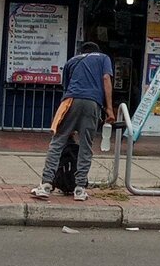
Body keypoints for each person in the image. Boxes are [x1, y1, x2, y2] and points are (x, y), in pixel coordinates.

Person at [30, 41, 115, 202]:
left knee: (57, 142)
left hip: (70, 101)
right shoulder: (103, 58)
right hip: (92, 103)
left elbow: (67, 89)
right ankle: (80, 189)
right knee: (85, 146)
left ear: (81, 52)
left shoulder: (71, 61)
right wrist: (110, 108)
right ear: (96, 51)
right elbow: (106, 78)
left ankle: (45, 185)